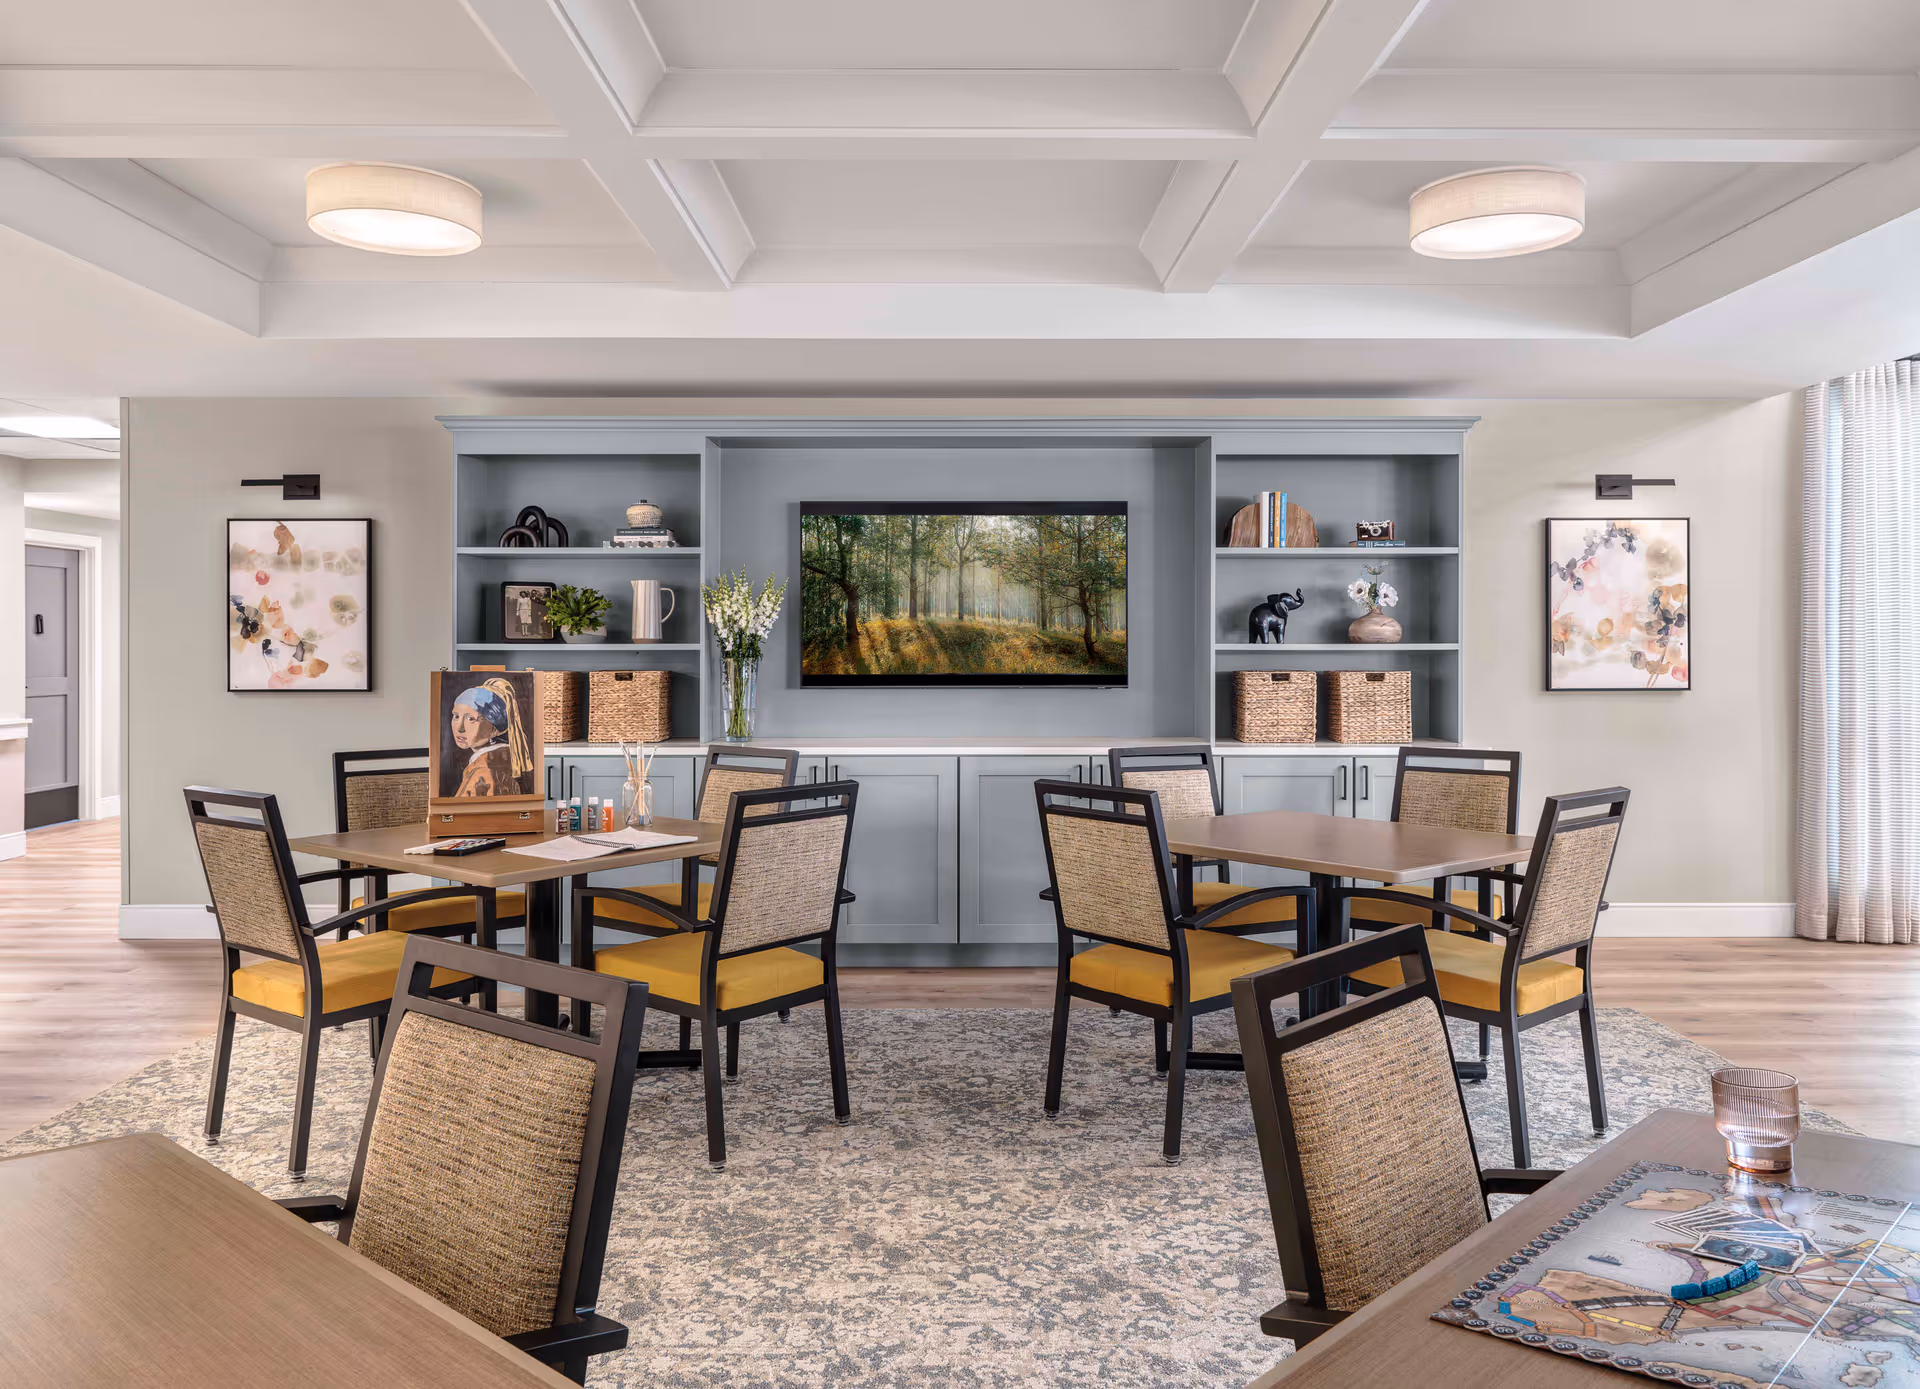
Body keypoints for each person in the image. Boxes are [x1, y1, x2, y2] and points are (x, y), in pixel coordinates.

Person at [448, 678, 533, 797]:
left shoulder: (483, 770)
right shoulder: (504, 757)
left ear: (494, 729)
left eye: (471, 719)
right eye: (456, 716)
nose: (460, 728)